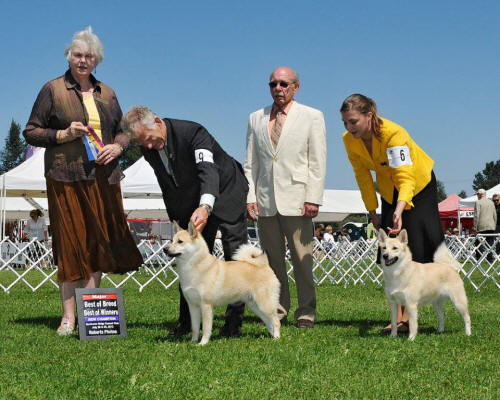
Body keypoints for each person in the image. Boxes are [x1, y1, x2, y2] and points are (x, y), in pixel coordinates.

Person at [23, 27, 143, 336]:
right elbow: (31, 130)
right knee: (69, 242)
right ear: (69, 56)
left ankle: (91, 312)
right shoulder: (52, 89)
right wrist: (62, 135)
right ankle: (68, 318)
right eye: (78, 55)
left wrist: (118, 146)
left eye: (89, 56)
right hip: (65, 176)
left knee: (98, 241)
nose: (83, 60)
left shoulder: (108, 93)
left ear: (97, 60)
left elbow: (123, 129)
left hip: (102, 177)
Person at [121, 105, 248, 338]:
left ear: (157, 122)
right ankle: (187, 323)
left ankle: (233, 324)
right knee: (189, 261)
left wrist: (205, 205)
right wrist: (178, 220)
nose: (148, 146)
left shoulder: (193, 133)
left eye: (148, 139)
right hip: (193, 200)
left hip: (227, 191)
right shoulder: (148, 148)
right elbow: (169, 185)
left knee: (235, 257)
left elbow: (208, 171)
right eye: (142, 143)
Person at [340, 94, 444, 334]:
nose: (349, 127)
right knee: (388, 245)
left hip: (417, 186)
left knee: (414, 242)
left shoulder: (393, 134)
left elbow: (405, 176)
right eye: (345, 122)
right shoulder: (349, 140)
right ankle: (396, 314)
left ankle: (406, 316)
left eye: (353, 121)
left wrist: (400, 208)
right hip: (388, 190)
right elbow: (363, 177)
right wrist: (372, 211)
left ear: (369, 115)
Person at [244, 66, 327, 328]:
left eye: (283, 84)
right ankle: (277, 310)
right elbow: (251, 163)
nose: (278, 89)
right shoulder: (255, 118)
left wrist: (313, 197)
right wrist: (250, 195)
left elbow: (317, 161)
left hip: (299, 200)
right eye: (273, 84)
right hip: (266, 201)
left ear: (296, 87)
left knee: (303, 262)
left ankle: (306, 312)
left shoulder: (312, 116)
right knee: (272, 263)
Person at [473, 189, 497, 262]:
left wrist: (474, 227)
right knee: (490, 243)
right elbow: (494, 215)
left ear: (480, 194)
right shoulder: (491, 202)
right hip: (491, 226)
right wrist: (494, 225)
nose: (477, 196)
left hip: (481, 226)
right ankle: (490, 259)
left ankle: (479, 258)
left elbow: (476, 216)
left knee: (478, 242)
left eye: (477, 194)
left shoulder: (478, 202)